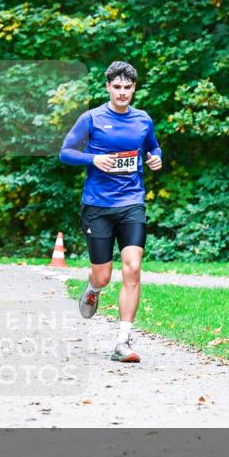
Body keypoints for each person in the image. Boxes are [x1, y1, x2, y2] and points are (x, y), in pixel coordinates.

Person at [59, 61, 162, 363]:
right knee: (103, 276)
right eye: (116, 87)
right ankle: (93, 288)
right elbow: (66, 153)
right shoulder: (91, 118)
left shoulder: (143, 120)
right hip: (98, 206)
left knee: (132, 268)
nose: (122, 93)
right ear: (107, 87)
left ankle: (123, 341)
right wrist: (93, 159)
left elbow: (154, 148)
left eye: (127, 87)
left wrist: (155, 158)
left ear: (134, 88)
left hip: (132, 203)